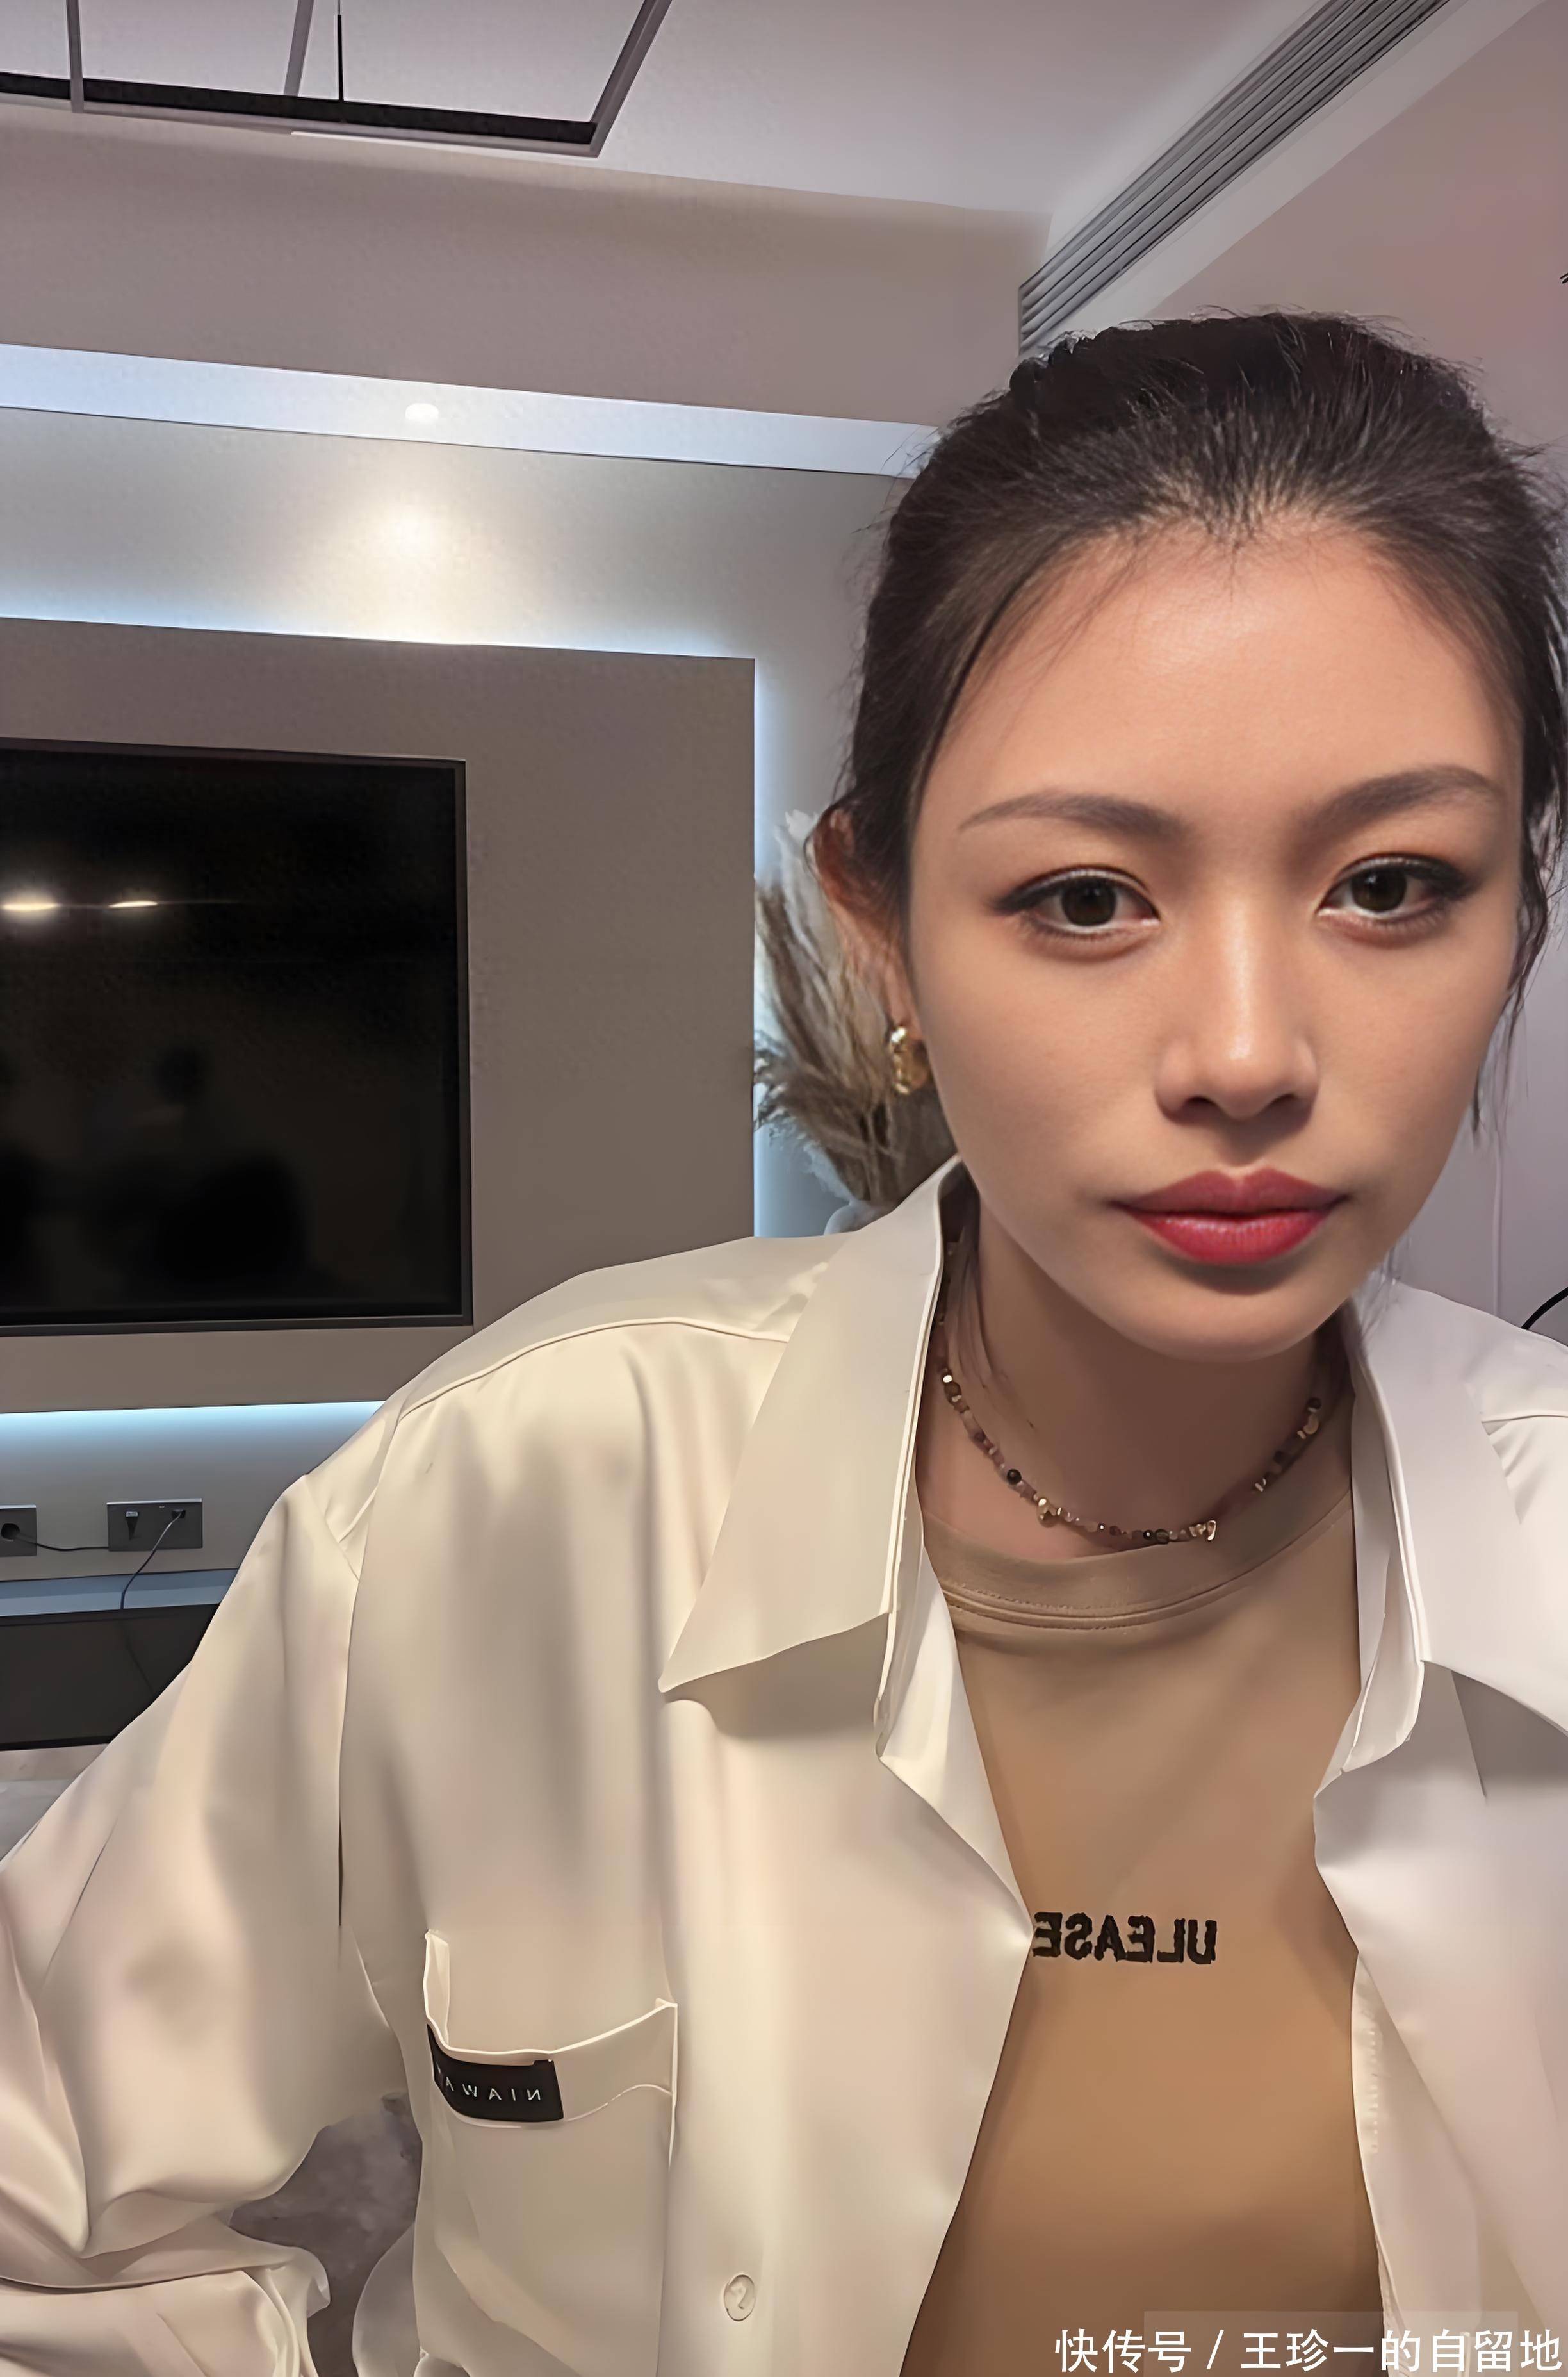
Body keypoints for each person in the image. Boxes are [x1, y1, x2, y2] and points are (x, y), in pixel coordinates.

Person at [2, 308, 1566, 2376]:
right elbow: (39, 2207)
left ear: (1517, 907)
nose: (1248, 1054)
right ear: (878, 922)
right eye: (1085, 899)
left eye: (1391, 883)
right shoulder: (517, 1496)